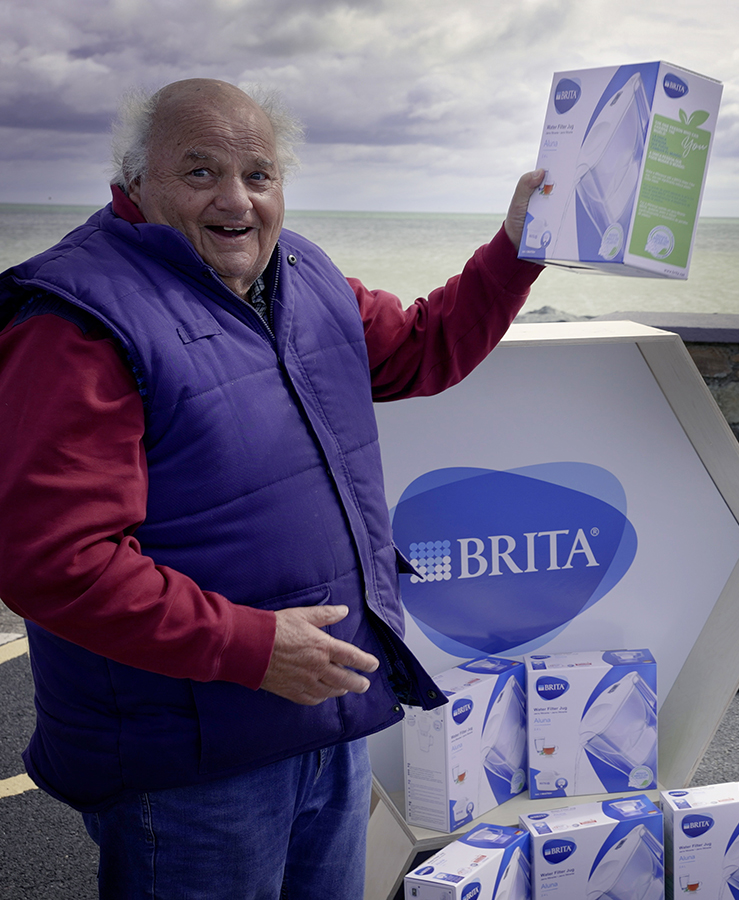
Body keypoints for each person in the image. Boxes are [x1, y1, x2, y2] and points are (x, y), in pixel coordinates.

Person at [0, 78, 547, 895]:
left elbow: (425, 348)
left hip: (322, 717)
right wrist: (253, 650)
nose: (236, 199)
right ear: (135, 182)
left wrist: (517, 248)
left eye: (259, 175)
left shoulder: (302, 276)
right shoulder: (75, 319)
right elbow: (54, 562)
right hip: (190, 761)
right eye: (200, 173)